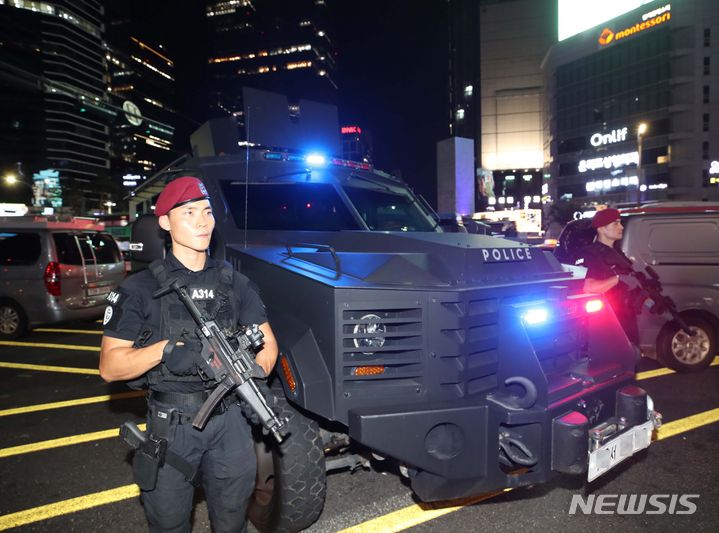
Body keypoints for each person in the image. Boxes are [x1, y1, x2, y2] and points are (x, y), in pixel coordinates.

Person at [99, 176, 278, 533]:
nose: (202, 221)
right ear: (165, 222)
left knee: (232, 522)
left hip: (231, 421)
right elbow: (110, 366)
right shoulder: (140, 289)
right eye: (189, 212)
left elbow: (268, 344)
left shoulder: (234, 283)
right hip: (173, 424)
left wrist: (252, 377)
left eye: (208, 212)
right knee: (169, 523)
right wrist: (163, 351)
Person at [578, 208, 640, 346]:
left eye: (620, 223)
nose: (621, 227)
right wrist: (617, 279)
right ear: (601, 229)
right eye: (616, 224)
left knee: (632, 358)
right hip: (606, 321)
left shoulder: (618, 252)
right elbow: (589, 287)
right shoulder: (591, 254)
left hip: (627, 317)